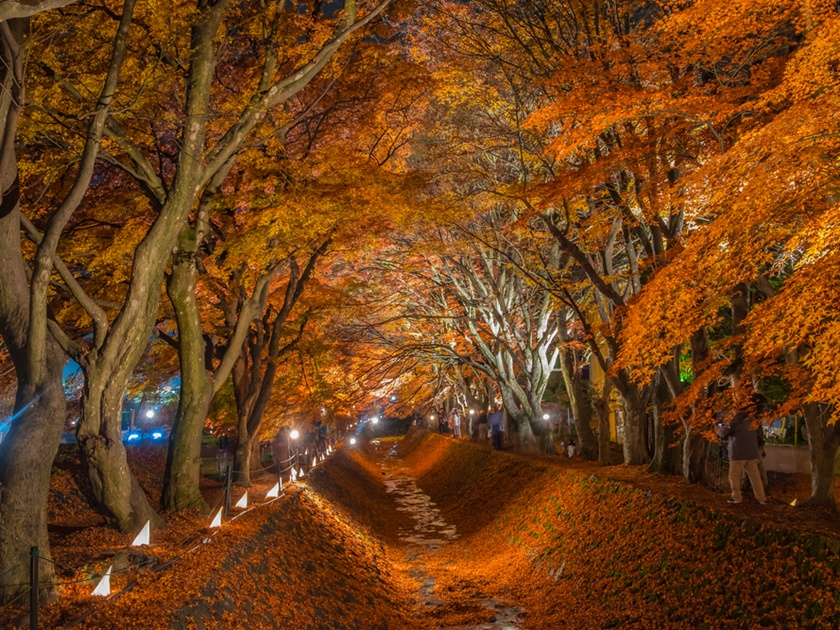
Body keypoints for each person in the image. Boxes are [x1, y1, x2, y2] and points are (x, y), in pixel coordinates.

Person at [721, 411, 767, 505]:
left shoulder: (734, 422)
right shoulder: (752, 421)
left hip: (737, 453)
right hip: (752, 453)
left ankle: (736, 497)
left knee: (734, 476)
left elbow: (723, 434)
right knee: (755, 476)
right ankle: (761, 498)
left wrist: (719, 430)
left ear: (736, 411)